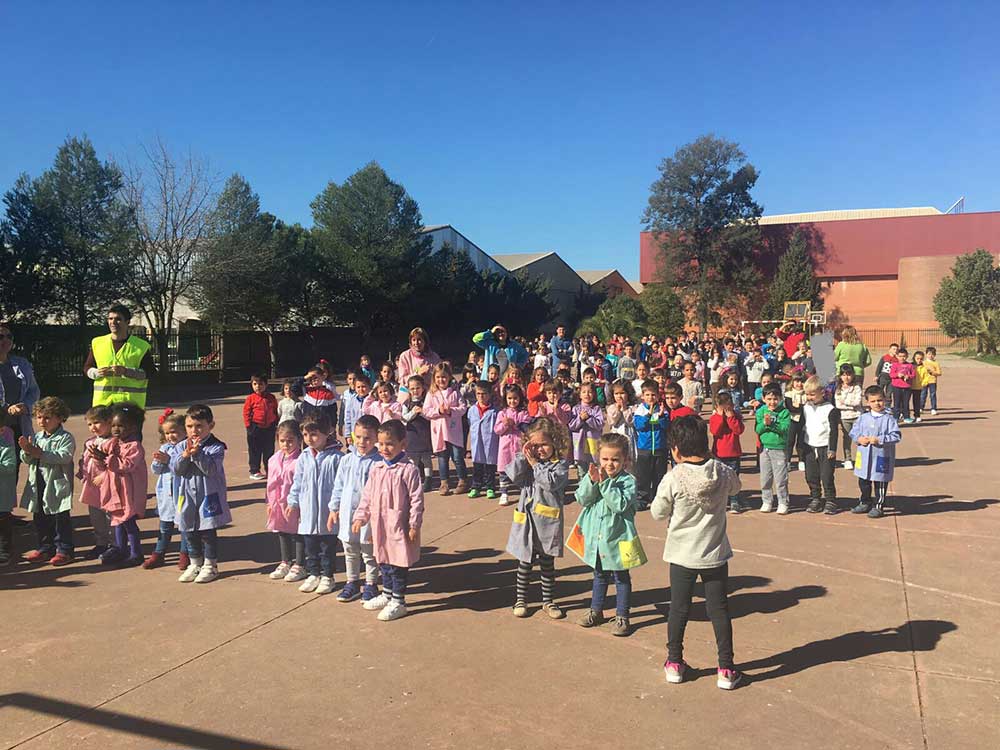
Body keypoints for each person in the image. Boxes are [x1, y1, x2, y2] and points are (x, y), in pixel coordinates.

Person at [651, 415, 742, 690]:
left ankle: (675, 662)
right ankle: (726, 668)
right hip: (714, 554)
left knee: (678, 609)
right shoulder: (722, 472)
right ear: (706, 445)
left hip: (681, 555)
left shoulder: (674, 477)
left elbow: (657, 513)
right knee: (720, 610)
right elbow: (737, 488)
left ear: (675, 450)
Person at [570, 433, 646, 636]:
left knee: (621, 577)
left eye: (615, 459)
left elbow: (619, 504)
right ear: (598, 458)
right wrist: (591, 481)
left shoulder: (628, 481)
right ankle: (596, 610)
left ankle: (622, 615)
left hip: (619, 538)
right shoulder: (595, 474)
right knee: (599, 574)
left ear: (625, 461)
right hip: (598, 539)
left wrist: (605, 484)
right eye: (605, 459)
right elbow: (583, 499)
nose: (610, 464)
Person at [351, 419, 425, 622]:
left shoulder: (408, 470)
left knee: (398, 564)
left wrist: (413, 524)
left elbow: (417, 499)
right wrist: (360, 517)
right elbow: (367, 495)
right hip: (380, 525)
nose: (384, 448)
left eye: (390, 444)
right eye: (381, 444)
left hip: (399, 526)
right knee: (383, 560)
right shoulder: (377, 469)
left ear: (403, 444)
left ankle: (399, 601)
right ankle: (387, 594)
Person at [505, 416, 571, 620]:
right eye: (535, 445)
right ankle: (521, 599)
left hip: (547, 524)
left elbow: (550, 483)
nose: (540, 449)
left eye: (544, 444)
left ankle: (548, 601)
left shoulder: (559, 466)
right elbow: (512, 475)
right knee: (524, 563)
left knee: (547, 564)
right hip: (526, 523)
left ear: (554, 443)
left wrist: (535, 464)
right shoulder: (527, 464)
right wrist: (523, 456)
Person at [172, 404, 231, 584]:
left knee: (207, 531)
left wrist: (197, 455)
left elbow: (211, 470)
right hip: (187, 495)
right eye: (190, 426)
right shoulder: (181, 445)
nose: (194, 430)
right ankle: (195, 562)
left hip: (208, 495)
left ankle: (210, 565)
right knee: (188, 529)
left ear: (210, 426)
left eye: (199, 426)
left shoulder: (216, 447)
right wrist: (184, 455)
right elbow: (176, 470)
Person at [285, 410, 341, 595]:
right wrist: (293, 502)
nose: (309, 439)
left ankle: (328, 577)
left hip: (327, 515)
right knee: (311, 548)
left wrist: (336, 507)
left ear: (328, 432)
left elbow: (340, 486)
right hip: (308, 514)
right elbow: (297, 482)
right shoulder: (304, 457)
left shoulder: (337, 458)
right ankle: (313, 574)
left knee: (327, 549)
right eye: (306, 434)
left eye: (314, 434)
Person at [329, 415, 382, 603]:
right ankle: (352, 582)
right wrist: (334, 508)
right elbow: (339, 485)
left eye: (367, 438)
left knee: (369, 551)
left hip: (369, 516)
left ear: (376, 438)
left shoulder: (379, 462)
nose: (362, 442)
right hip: (347, 514)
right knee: (350, 549)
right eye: (358, 437)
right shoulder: (346, 460)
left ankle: (371, 584)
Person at [19, 397, 76, 565]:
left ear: (59, 418)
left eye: (47, 417)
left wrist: (39, 453)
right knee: (40, 518)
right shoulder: (37, 437)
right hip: (38, 482)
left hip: (56, 484)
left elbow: (64, 457)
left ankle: (64, 550)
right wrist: (27, 452)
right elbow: (28, 460)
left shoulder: (66, 437)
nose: (42, 421)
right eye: (39, 417)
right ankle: (45, 547)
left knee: (60, 518)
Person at [95, 403, 147, 566]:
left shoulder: (135, 446)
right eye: (114, 425)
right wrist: (98, 455)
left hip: (128, 491)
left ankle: (136, 553)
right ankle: (121, 549)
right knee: (118, 521)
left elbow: (126, 465)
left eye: (121, 426)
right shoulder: (114, 442)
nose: (116, 429)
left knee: (128, 521)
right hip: (115, 489)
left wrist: (107, 458)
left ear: (133, 427)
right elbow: (103, 455)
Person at [84, 304, 154, 410]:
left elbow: (150, 373)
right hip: (103, 404)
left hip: (130, 404)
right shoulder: (97, 343)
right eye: (110, 318)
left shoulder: (141, 346)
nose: (113, 322)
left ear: (127, 322)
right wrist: (96, 373)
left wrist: (126, 371)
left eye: (118, 319)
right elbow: (87, 367)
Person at [146, 410, 190, 570]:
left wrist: (169, 460)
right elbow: (156, 470)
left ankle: (185, 553)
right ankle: (159, 553)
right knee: (164, 526)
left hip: (182, 493)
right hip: (166, 495)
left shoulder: (187, 446)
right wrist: (158, 461)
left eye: (174, 432)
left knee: (184, 525)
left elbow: (184, 467)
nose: (170, 436)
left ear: (184, 431)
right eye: (167, 433)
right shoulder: (164, 447)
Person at [850, 386, 902, 518]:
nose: (877, 404)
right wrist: (859, 438)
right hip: (865, 455)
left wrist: (880, 440)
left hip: (881, 456)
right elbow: (854, 431)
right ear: (867, 402)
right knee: (863, 481)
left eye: (879, 400)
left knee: (880, 482)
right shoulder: (863, 418)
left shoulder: (889, 419)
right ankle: (865, 502)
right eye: (873, 401)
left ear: (884, 400)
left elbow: (896, 436)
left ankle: (879, 505)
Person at [264, 422, 304, 582]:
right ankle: (285, 561)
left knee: (298, 533)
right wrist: (268, 502)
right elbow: (269, 483)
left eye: (290, 440)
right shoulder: (274, 459)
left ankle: (300, 564)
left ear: (298, 440)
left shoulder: (301, 460)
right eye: (282, 441)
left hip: (295, 503)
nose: (286, 444)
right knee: (282, 531)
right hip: (277, 503)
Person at [0, 322, 41, 476]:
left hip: (18, 427)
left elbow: (34, 390)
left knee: (12, 470)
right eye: (0, 336)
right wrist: (6, 408)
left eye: (9, 336)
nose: (5, 340)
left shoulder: (21, 364)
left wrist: (26, 405)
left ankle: (8, 500)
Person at [424, 362, 468, 496]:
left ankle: (463, 480)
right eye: (438, 377)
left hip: (454, 431)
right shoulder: (431, 394)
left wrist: (450, 411)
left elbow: (463, 408)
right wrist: (438, 410)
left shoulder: (455, 392)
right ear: (434, 378)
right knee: (442, 458)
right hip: (439, 432)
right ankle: (444, 483)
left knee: (457, 457)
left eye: (444, 377)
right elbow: (426, 411)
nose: (441, 380)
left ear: (449, 377)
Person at [77, 405, 115, 561]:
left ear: (109, 422)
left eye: (97, 423)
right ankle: (101, 542)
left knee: (110, 516)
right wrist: (82, 471)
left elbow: (115, 465)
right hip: (92, 486)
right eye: (90, 424)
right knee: (96, 516)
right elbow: (85, 460)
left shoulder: (114, 442)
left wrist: (105, 475)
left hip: (109, 486)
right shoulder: (90, 442)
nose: (93, 427)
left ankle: (115, 544)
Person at [802, 376, 841, 514]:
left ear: (823, 392)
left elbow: (834, 431)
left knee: (827, 475)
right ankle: (815, 498)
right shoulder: (805, 407)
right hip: (810, 446)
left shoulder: (830, 409)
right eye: (807, 394)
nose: (809, 397)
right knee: (811, 475)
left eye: (812, 394)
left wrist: (832, 448)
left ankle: (830, 500)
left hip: (825, 447)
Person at [632, 380, 670, 511]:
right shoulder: (640, 410)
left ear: (658, 396)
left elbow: (666, 426)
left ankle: (657, 498)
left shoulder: (663, 410)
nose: (650, 398)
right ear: (642, 396)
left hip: (660, 448)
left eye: (653, 395)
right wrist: (648, 415)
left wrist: (661, 418)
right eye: (647, 395)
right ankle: (642, 499)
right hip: (644, 449)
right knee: (643, 476)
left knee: (659, 475)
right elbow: (639, 425)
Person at [756, 384, 791, 514]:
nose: (772, 402)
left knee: (781, 478)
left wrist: (773, 425)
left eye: (775, 399)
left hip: (779, 449)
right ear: (764, 399)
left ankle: (783, 502)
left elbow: (784, 429)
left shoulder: (784, 412)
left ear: (780, 398)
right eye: (769, 399)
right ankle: (767, 501)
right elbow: (758, 430)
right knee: (765, 478)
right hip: (764, 449)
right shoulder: (761, 411)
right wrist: (765, 424)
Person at [494, 384, 532, 507]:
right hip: (505, 447)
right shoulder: (502, 413)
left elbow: (527, 428)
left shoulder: (524, 413)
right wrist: (505, 425)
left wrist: (514, 424)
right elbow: (497, 430)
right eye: (509, 398)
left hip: (518, 446)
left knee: (520, 469)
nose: (512, 401)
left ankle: (524, 492)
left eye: (515, 398)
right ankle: (504, 493)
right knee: (504, 471)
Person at [709, 392, 745, 514]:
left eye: (727, 407)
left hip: (733, 453)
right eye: (722, 408)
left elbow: (739, 430)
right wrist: (720, 416)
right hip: (718, 453)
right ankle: (720, 501)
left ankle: (734, 500)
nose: (725, 410)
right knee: (718, 479)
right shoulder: (714, 418)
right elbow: (715, 431)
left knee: (733, 478)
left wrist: (730, 417)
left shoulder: (735, 416)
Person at [400, 375, 434, 493]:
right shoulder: (406, 403)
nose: (415, 391)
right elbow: (404, 419)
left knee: (426, 459)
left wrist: (423, 412)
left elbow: (431, 416)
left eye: (418, 388)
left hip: (424, 433)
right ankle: (416, 479)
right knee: (413, 459)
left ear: (423, 388)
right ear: (409, 389)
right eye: (412, 388)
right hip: (412, 434)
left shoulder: (427, 401)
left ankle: (429, 480)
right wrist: (413, 412)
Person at [467, 381, 500, 500]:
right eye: (478, 394)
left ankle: (490, 486)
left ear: (490, 394)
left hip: (490, 441)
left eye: (484, 394)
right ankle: (476, 486)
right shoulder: (472, 410)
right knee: (477, 465)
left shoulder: (495, 411)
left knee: (490, 466)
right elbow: (470, 423)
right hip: (477, 442)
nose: (481, 396)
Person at [244, 373, 278, 481]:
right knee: (254, 450)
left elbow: (275, 411)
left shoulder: (271, 398)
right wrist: (249, 426)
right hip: (255, 428)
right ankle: (254, 470)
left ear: (266, 385)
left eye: (261, 384)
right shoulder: (250, 398)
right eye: (255, 384)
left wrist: (275, 423)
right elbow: (246, 413)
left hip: (269, 428)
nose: (258, 386)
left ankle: (270, 469)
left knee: (269, 450)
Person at [568, 382, 604, 478]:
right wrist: (580, 419)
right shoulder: (575, 409)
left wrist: (589, 419)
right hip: (579, 445)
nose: (587, 394)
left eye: (590, 392)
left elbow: (600, 425)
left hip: (592, 445)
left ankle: (593, 490)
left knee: (593, 471)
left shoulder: (596, 409)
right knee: (582, 472)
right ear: (580, 394)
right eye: (584, 392)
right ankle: (582, 491)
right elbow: (571, 425)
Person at [834, 365, 863, 469]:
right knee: (847, 438)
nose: (846, 377)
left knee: (860, 438)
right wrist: (851, 405)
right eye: (844, 375)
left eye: (849, 374)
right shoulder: (838, 388)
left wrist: (845, 402)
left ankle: (862, 458)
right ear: (840, 376)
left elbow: (857, 402)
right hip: (844, 417)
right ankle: (848, 459)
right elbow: (838, 404)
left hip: (857, 416)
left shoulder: (857, 387)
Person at [0, 413, 18, 565]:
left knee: (3, 525)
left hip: (2, 496)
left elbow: (10, 467)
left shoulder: (5, 447)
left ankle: (5, 551)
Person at [785, 373, 808, 471]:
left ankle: (801, 460)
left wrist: (798, 406)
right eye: (797, 381)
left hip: (804, 421)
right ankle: (788, 461)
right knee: (790, 441)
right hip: (792, 420)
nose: (799, 384)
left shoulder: (806, 394)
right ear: (792, 382)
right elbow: (791, 408)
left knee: (801, 442)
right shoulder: (789, 394)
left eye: (802, 381)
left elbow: (808, 408)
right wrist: (802, 407)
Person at [889, 348, 916, 423]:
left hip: (907, 387)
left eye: (904, 356)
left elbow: (913, 375)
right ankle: (896, 417)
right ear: (897, 356)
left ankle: (906, 417)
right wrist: (898, 374)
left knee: (906, 403)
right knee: (896, 403)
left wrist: (908, 376)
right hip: (896, 387)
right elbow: (891, 375)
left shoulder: (910, 365)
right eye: (900, 356)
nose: (902, 358)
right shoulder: (895, 365)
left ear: (907, 356)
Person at [921, 346, 941, 415]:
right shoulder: (923, 363)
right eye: (929, 354)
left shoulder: (936, 363)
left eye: (932, 354)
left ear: (935, 355)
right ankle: (921, 407)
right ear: (926, 354)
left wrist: (933, 372)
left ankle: (933, 408)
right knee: (923, 394)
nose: (930, 356)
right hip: (924, 381)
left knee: (933, 395)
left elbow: (939, 373)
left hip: (932, 381)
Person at [910, 351, 927, 423]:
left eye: (921, 359)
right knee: (905, 401)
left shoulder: (924, 367)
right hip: (909, 386)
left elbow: (926, 377)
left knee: (916, 402)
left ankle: (917, 415)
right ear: (914, 358)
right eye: (917, 358)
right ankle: (905, 415)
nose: (919, 360)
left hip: (918, 387)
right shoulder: (910, 366)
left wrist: (923, 383)